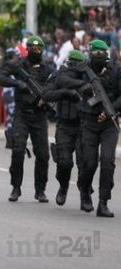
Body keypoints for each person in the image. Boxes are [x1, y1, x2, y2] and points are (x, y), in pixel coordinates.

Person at [62, 40, 120, 217]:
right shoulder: (82, 68)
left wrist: (113, 110)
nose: (97, 57)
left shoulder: (116, 70)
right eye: (94, 54)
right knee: (89, 163)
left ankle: (103, 202)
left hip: (109, 122)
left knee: (107, 161)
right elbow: (61, 77)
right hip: (88, 121)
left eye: (100, 54)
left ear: (106, 55)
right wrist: (82, 86)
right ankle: (84, 188)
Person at [0, 36, 54, 203]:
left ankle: (40, 190)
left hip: (40, 116)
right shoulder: (18, 65)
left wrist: (46, 97)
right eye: (33, 48)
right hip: (22, 114)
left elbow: (55, 85)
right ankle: (16, 187)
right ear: (27, 49)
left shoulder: (47, 69)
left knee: (42, 154)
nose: (36, 51)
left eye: (39, 48)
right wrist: (17, 83)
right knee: (18, 150)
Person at [45, 50, 86, 206]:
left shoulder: (86, 76)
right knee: (64, 162)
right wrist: (66, 93)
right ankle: (63, 186)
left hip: (83, 125)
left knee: (85, 163)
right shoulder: (58, 75)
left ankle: (85, 193)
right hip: (64, 124)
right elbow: (46, 94)